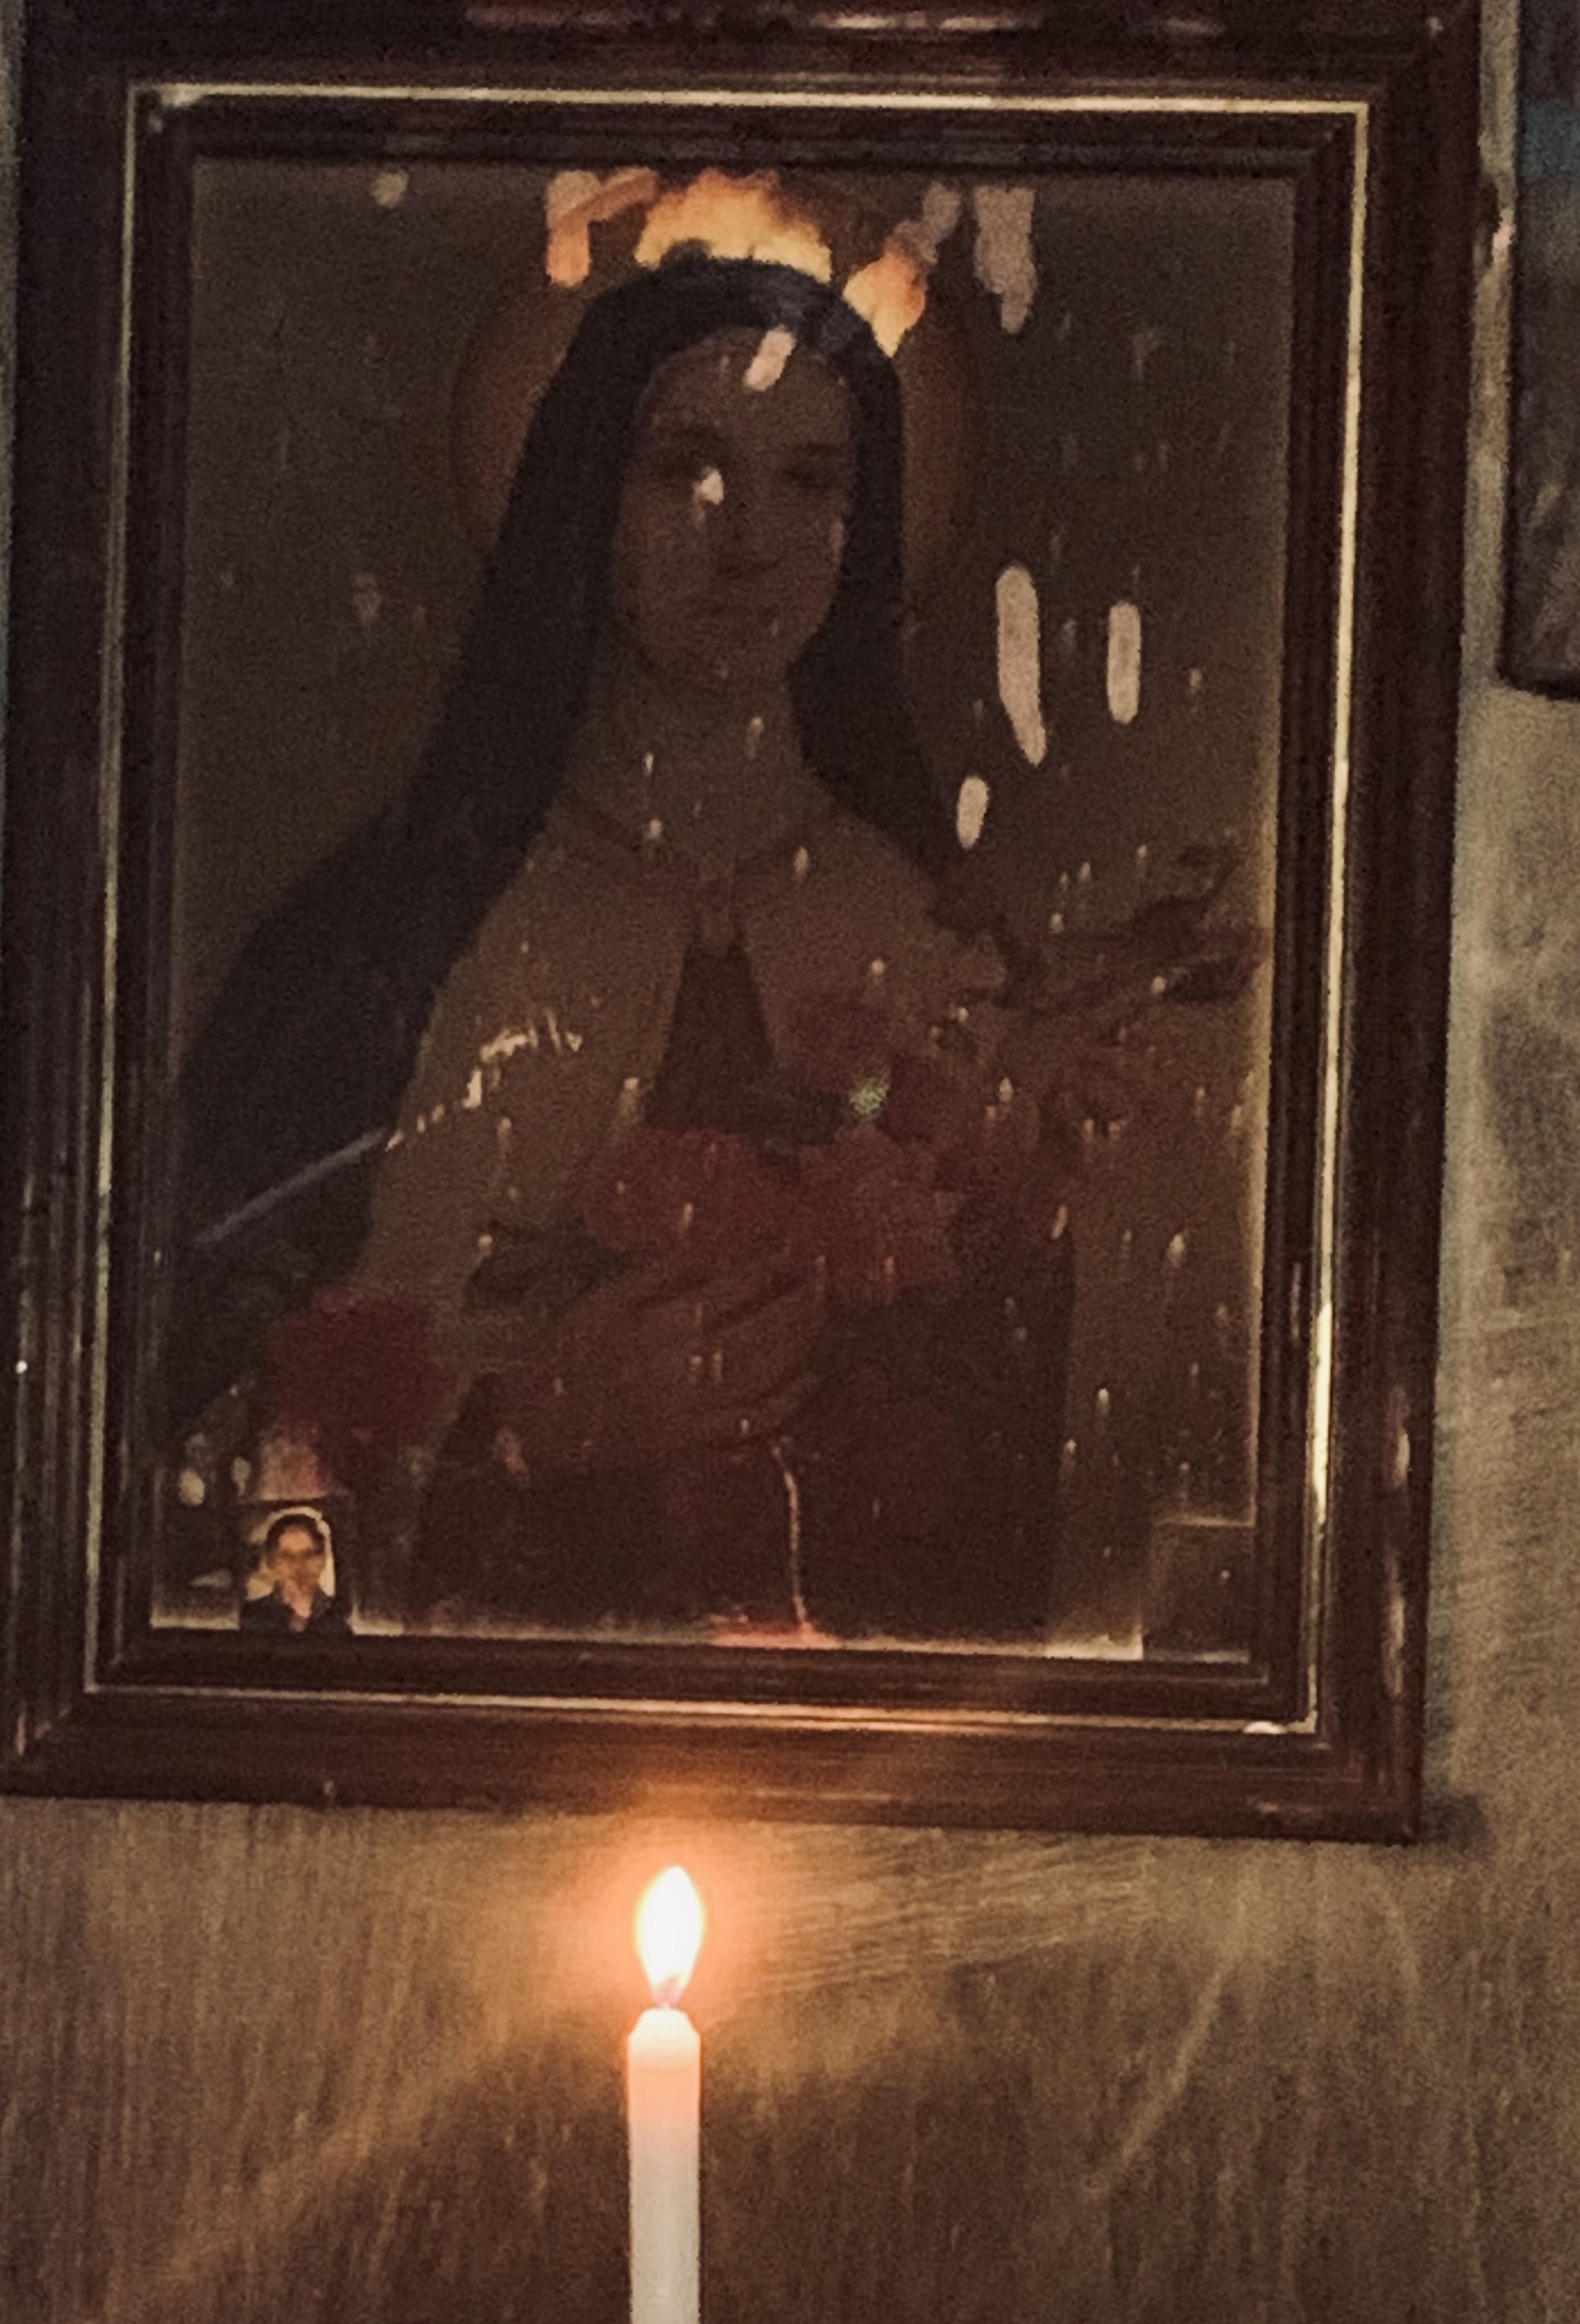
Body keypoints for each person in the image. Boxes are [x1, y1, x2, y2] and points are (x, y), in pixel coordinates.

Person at [169, 215, 1131, 1638]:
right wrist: (515, 1420)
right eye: (686, 467)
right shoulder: (386, 941)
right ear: (585, 493)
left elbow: (1026, 1500)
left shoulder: (927, 936)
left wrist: (1037, 1191)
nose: (750, 541)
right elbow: (203, 1435)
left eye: (810, 481)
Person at [238, 1509, 350, 1634]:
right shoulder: (252, 1617)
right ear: (272, 1562)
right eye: (287, 1557)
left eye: (307, 1555)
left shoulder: (340, 1617)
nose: (298, 1565)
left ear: (322, 1559)